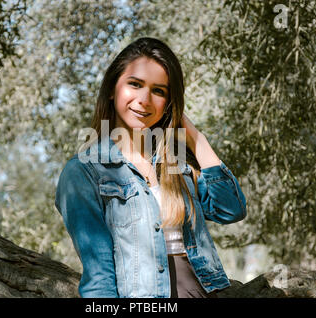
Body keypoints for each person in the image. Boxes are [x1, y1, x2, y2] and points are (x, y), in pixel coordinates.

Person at [54, 37, 247, 298]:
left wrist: (193, 135)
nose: (144, 100)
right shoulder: (84, 172)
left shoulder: (178, 161)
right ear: (112, 89)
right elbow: (99, 274)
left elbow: (231, 210)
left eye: (159, 91)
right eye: (134, 84)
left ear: (169, 101)